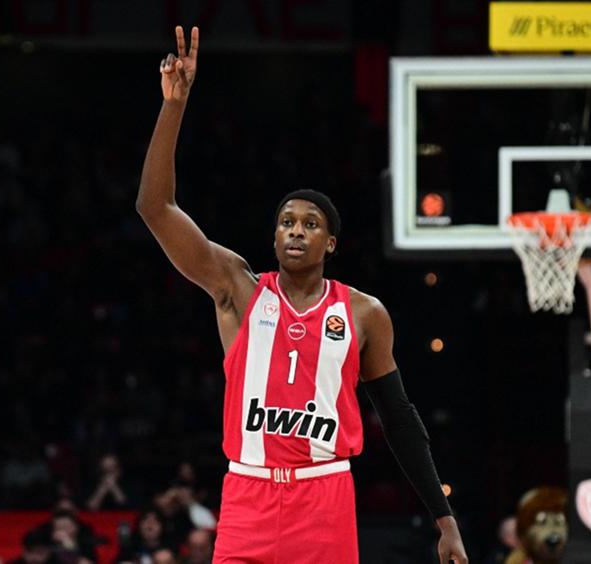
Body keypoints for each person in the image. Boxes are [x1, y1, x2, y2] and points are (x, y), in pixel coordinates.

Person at [136, 25, 468, 564]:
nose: (295, 230)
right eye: (286, 222)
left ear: (330, 243)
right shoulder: (238, 288)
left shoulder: (363, 312)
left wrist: (444, 518)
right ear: (273, 238)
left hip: (323, 497)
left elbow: (399, 418)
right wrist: (173, 106)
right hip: (247, 496)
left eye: (310, 224)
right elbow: (156, 209)